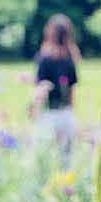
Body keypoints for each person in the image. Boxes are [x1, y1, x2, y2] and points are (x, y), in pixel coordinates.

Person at [34, 14, 80, 161]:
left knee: (45, 155)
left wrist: (35, 111)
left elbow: (41, 88)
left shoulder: (44, 58)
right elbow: (72, 89)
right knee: (66, 157)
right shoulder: (70, 58)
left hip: (48, 113)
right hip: (66, 113)